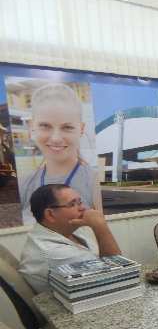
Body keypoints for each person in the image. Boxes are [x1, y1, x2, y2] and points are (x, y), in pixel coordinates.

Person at [18, 82, 101, 225]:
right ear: (32, 126)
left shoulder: (94, 183)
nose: (56, 138)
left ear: (81, 129)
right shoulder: (23, 184)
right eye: (45, 126)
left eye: (67, 127)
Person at [18, 184, 121, 294]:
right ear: (50, 214)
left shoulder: (70, 229)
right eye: (73, 204)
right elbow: (118, 273)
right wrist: (100, 225)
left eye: (80, 202)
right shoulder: (53, 252)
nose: (82, 208)